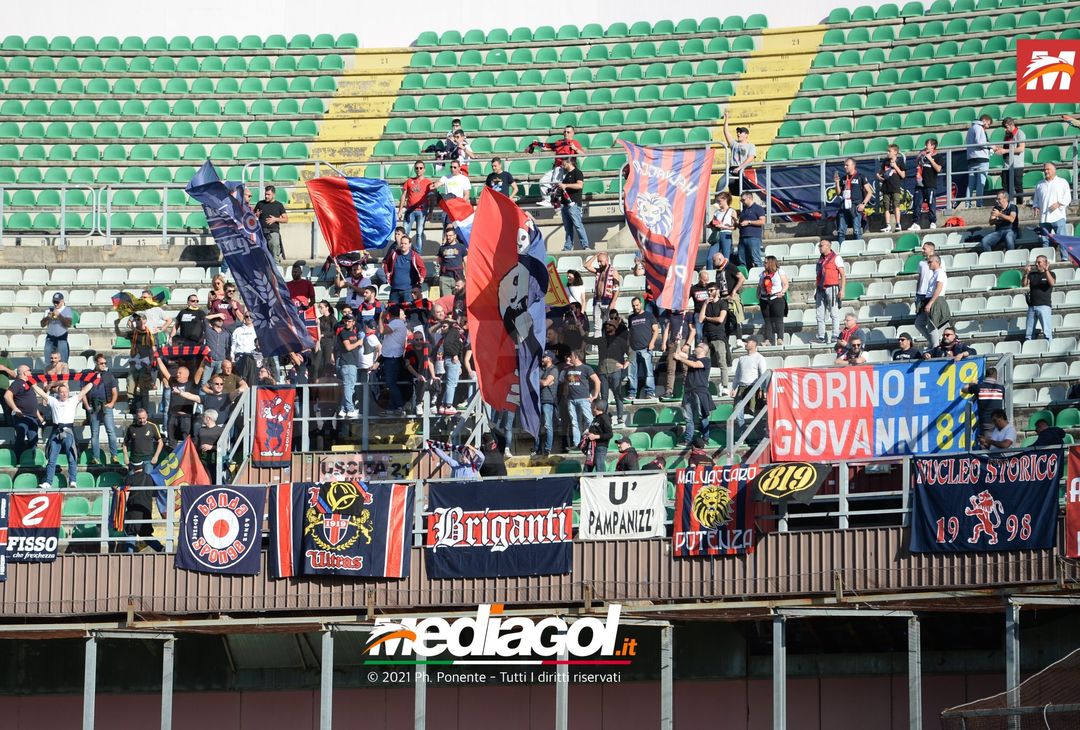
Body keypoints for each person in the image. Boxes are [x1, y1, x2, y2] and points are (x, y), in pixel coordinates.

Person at [32, 379, 94, 489]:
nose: (64, 394)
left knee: (72, 458)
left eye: (66, 392)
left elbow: (84, 390)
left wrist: (95, 379)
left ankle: (73, 481)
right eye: (62, 392)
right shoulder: (53, 401)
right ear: (58, 393)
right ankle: (48, 482)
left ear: (68, 393)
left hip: (69, 432)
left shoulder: (73, 400)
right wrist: (31, 383)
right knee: (51, 459)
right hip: (56, 431)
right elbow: (41, 392)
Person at [587, 312, 630, 427]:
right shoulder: (601, 340)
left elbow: (631, 353)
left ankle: (620, 418)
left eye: (610, 325)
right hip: (602, 372)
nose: (607, 327)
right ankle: (605, 418)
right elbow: (587, 339)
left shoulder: (620, 341)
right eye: (606, 326)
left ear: (615, 328)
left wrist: (625, 364)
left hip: (615, 371)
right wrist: (580, 328)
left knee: (618, 395)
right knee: (604, 396)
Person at [530, 126, 584, 206]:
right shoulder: (559, 142)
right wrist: (537, 144)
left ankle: (556, 203)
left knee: (556, 184)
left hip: (566, 168)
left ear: (573, 133)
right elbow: (547, 147)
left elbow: (583, 154)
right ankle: (548, 200)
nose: (566, 133)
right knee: (543, 181)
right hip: (557, 167)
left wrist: (575, 148)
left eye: (568, 132)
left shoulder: (574, 142)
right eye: (564, 132)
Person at [675, 341, 713, 446]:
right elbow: (679, 354)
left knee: (703, 416)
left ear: (702, 349)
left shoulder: (706, 360)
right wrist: (678, 343)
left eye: (697, 346)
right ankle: (688, 440)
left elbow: (696, 365)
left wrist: (681, 359)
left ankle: (706, 438)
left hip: (700, 392)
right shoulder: (692, 357)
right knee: (688, 418)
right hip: (688, 392)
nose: (695, 348)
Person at [83, 354, 119, 466]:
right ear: (96, 363)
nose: (104, 365)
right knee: (95, 434)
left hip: (105, 405)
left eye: (105, 363)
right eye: (101, 363)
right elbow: (83, 392)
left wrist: (112, 403)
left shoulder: (109, 375)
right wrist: (87, 406)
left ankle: (114, 456)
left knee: (111, 432)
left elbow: (115, 392)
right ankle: (96, 458)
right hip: (93, 407)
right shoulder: (89, 375)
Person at [560, 350, 601, 447]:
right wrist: (566, 395)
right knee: (575, 422)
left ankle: (592, 440)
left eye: (571, 356)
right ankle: (577, 443)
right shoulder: (568, 369)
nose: (569, 358)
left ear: (577, 357)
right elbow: (566, 383)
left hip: (583, 399)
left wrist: (595, 395)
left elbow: (597, 381)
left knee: (589, 420)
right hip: (571, 400)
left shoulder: (586, 368)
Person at [5, 365, 41, 464]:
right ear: (24, 373)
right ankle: (16, 461)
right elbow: (7, 396)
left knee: (33, 439)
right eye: (30, 371)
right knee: (21, 436)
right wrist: (15, 408)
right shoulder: (17, 383)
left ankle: (30, 461)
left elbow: (32, 402)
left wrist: (39, 416)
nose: (31, 373)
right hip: (22, 417)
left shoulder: (29, 384)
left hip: (32, 418)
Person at [699, 282, 730, 396]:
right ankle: (704, 385)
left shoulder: (723, 303)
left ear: (717, 290)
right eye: (708, 290)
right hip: (707, 337)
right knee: (705, 363)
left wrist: (707, 318)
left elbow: (720, 319)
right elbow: (700, 319)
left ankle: (725, 386)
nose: (709, 292)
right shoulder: (706, 304)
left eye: (711, 290)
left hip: (718, 336)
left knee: (722, 362)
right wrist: (705, 304)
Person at [833, 158, 873, 245]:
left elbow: (869, 192)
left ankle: (858, 248)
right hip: (844, 207)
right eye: (844, 165)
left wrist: (863, 204)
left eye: (847, 165)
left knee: (857, 230)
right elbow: (838, 193)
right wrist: (836, 183)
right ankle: (840, 250)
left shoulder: (860, 176)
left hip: (856, 206)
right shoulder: (843, 178)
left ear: (853, 165)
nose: (845, 167)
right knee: (841, 231)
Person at [1032, 162, 1072, 250]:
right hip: (1044, 217)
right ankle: (1046, 258)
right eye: (1044, 170)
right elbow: (1036, 200)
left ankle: (1064, 259)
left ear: (1054, 170)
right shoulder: (1039, 184)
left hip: (1058, 216)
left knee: (1061, 239)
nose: (1046, 171)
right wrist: (1035, 207)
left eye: (1048, 169)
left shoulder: (1062, 182)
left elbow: (1068, 198)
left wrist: (1058, 203)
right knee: (1044, 240)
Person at [159, 363, 201, 445]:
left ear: (186, 375)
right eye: (177, 373)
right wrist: (158, 358)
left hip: (186, 417)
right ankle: (172, 457)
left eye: (179, 373)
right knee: (171, 440)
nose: (177, 374)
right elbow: (164, 371)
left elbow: (200, 371)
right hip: (172, 416)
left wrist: (204, 360)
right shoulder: (173, 383)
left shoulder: (192, 384)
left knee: (186, 441)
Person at [626, 297, 659, 401]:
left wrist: (652, 342)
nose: (635, 307)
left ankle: (650, 392)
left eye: (637, 305)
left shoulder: (649, 315)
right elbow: (630, 333)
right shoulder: (631, 318)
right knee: (631, 374)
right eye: (633, 306)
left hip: (646, 348)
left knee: (648, 373)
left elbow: (656, 330)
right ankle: (632, 393)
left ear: (641, 304)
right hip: (633, 350)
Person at [732, 337, 767, 432]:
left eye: (747, 341)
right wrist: (734, 387)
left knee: (756, 414)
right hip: (742, 387)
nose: (745, 343)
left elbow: (763, 374)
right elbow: (737, 374)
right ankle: (743, 435)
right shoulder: (742, 358)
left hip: (754, 388)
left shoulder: (760, 358)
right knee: (738, 413)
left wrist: (762, 389)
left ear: (754, 343)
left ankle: (759, 436)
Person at [814, 239, 846, 343]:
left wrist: (842, 290)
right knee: (819, 314)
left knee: (834, 313)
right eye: (819, 246)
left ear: (828, 246)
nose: (820, 248)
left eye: (821, 246)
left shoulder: (836, 258)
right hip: (820, 288)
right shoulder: (820, 260)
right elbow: (818, 276)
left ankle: (835, 335)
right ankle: (821, 336)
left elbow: (843, 275)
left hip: (832, 287)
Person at [914, 255, 949, 349]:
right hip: (929, 299)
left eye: (930, 262)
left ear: (937, 262)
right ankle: (933, 343)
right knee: (919, 323)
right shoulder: (935, 273)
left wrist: (930, 303)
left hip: (935, 300)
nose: (928, 264)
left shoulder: (940, 273)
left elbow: (939, 288)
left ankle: (935, 347)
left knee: (932, 326)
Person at [380, 305, 409, 415]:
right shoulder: (398, 323)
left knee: (390, 383)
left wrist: (381, 319)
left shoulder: (395, 323)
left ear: (389, 314)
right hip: (392, 356)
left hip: (392, 357)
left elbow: (382, 331)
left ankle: (400, 405)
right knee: (391, 383)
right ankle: (392, 407)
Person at [382, 235, 427, 306]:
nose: (403, 245)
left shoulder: (414, 256)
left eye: (405, 244)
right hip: (394, 289)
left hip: (408, 290)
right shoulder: (394, 254)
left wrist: (422, 276)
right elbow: (386, 263)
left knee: (408, 312)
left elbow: (422, 268)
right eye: (402, 243)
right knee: (392, 312)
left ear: (409, 244)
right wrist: (387, 273)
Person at [399, 160, 434, 249]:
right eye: (417, 168)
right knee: (405, 233)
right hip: (410, 210)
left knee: (419, 233)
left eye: (421, 168)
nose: (418, 170)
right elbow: (403, 196)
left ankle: (418, 254)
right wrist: (400, 210)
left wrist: (430, 211)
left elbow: (432, 198)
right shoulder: (409, 181)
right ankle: (405, 251)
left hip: (422, 211)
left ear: (424, 169)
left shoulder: (428, 182)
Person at [963, 367, 1006, 438]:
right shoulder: (1001, 388)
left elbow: (963, 389)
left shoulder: (978, 387)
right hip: (1000, 422)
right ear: (996, 377)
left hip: (986, 423)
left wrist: (971, 384)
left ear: (986, 376)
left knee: (987, 446)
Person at [558, 157, 590, 251]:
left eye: (563, 162)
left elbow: (580, 185)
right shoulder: (567, 175)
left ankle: (585, 246)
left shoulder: (577, 172)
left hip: (574, 204)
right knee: (568, 228)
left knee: (578, 225)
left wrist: (566, 185)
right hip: (565, 204)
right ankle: (567, 247)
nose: (562, 164)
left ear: (568, 162)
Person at [660, 307, 693, 400]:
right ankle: (669, 391)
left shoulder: (688, 315)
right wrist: (663, 343)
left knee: (685, 368)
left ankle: (688, 390)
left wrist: (688, 344)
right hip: (673, 343)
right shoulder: (672, 315)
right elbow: (667, 330)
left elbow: (693, 330)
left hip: (683, 342)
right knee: (671, 369)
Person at [910, 138, 942, 231]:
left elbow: (938, 169)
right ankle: (916, 223)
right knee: (917, 204)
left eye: (927, 144)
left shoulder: (938, 156)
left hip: (930, 184)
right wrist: (921, 155)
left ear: (933, 146)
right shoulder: (921, 155)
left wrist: (930, 159)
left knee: (931, 204)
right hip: (919, 183)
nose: (925, 147)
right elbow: (917, 162)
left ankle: (932, 222)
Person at [585, 252, 621, 336]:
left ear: (607, 260)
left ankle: (608, 344)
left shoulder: (613, 271)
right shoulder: (598, 271)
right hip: (597, 301)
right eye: (598, 261)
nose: (599, 263)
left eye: (601, 261)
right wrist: (595, 255)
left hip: (608, 301)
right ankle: (598, 347)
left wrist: (613, 301)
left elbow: (616, 288)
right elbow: (586, 266)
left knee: (608, 325)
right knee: (597, 326)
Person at [335, 312, 362, 418]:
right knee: (348, 386)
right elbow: (348, 347)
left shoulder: (353, 333)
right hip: (347, 363)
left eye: (349, 321)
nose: (347, 323)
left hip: (352, 363)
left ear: (353, 322)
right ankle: (350, 409)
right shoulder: (344, 333)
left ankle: (343, 408)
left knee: (350, 388)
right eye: (345, 321)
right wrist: (359, 342)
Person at [757, 256, 789, 346]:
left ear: (771, 263)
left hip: (776, 298)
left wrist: (782, 292)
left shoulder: (779, 271)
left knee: (778, 319)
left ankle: (780, 338)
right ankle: (768, 339)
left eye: (766, 262)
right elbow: (759, 286)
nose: (764, 264)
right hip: (764, 299)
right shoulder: (763, 274)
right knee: (767, 320)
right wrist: (758, 294)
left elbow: (786, 284)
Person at [994, 117, 1026, 205]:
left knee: (1018, 186)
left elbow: (1021, 149)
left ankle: (1020, 205)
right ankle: (1007, 206)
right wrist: (999, 149)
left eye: (1006, 127)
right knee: (1005, 186)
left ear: (1012, 125)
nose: (1005, 129)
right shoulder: (1007, 135)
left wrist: (1005, 151)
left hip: (1016, 165)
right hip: (1006, 165)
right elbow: (1006, 149)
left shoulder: (1020, 133)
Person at [1023, 255, 1055, 343]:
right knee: (1029, 334)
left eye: (1039, 262)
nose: (1036, 264)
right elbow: (1024, 284)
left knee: (1047, 333)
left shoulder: (1051, 273)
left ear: (1045, 263)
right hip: (1032, 307)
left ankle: (1049, 349)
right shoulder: (1032, 274)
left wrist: (1047, 270)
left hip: (1044, 306)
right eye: (1036, 262)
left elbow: (1052, 283)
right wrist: (1026, 273)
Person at [122, 407, 164, 472]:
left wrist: (156, 456)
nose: (142, 420)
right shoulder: (131, 427)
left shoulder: (152, 426)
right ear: (136, 417)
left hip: (148, 459)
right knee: (133, 480)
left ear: (147, 416)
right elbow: (125, 443)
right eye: (140, 418)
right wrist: (125, 456)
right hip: (135, 459)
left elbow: (160, 442)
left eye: (144, 418)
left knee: (147, 480)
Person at [723, 116, 756, 196]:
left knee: (746, 192)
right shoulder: (734, 144)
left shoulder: (751, 146)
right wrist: (726, 119)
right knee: (722, 182)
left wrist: (740, 167)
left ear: (746, 135)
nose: (738, 134)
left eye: (740, 132)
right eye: (737, 132)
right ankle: (717, 202)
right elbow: (726, 132)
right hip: (733, 170)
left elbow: (750, 158)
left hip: (745, 170)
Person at [533, 352, 558, 456]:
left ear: (550, 358)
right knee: (536, 426)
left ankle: (547, 449)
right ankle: (537, 448)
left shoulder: (554, 370)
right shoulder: (540, 369)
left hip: (548, 401)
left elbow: (545, 383)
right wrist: (542, 381)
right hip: (538, 400)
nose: (542, 358)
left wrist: (539, 381)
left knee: (548, 425)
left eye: (544, 357)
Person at [877, 144, 906, 233]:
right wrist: (878, 176)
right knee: (886, 207)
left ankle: (898, 224)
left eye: (889, 151)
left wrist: (895, 167)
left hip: (895, 187)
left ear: (895, 152)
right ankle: (888, 225)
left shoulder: (900, 161)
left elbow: (903, 175)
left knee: (896, 205)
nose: (888, 153)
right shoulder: (885, 161)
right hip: (886, 187)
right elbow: (880, 172)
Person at [964, 114, 993, 206]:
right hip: (981, 158)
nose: (987, 127)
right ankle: (979, 204)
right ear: (984, 121)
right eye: (988, 124)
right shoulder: (979, 128)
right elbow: (980, 142)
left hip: (971, 158)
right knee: (981, 183)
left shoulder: (970, 129)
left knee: (971, 184)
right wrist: (991, 146)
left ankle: (967, 204)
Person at [254, 184, 288, 260]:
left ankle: (276, 270)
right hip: (261, 234)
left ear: (273, 194)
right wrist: (256, 215)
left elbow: (286, 219)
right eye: (265, 194)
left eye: (268, 194)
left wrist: (275, 219)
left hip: (273, 234)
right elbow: (253, 217)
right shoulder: (260, 204)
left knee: (274, 257)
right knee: (261, 257)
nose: (266, 196)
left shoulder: (279, 205)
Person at [40, 292, 73, 363]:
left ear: (62, 301)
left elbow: (68, 324)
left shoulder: (67, 310)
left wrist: (59, 315)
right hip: (50, 338)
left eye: (57, 302)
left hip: (62, 337)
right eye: (54, 302)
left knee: (63, 362)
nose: (55, 304)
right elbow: (42, 324)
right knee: (48, 362)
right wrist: (48, 318)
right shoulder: (49, 310)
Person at [706, 191, 737, 267]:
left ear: (725, 199)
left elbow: (734, 227)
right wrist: (710, 225)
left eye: (719, 201)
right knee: (709, 258)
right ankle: (710, 275)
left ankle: (726, 275)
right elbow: (714, 223)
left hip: (726, 234)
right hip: (717, 235)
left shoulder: (732, 211)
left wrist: (723, 226)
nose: (718, 202)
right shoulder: (717, 212)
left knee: (726, 258)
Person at [737, 191, 766, 268]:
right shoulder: (744, 210)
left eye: (743, 200)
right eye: (741, 200)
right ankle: (747, 277)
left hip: (753, 237)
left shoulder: (758, 208)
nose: (742, 201)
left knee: (756, 259)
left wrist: (749, 222)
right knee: (743, 260)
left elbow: (762, 221)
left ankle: (760, 276)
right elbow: (741, 223)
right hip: (743, 237)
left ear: (749, 198)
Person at [584, 398, 612, 472]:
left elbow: (609, 434)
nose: (590, 408)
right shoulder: (595, 418)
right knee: (587, 470)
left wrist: (595, 436)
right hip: (592, 447)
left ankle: (601, 482)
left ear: (595, 407)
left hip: (600, 447)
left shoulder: (604, 418)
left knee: (600, 468)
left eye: (591, 406)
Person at [437, 226, 466, 296]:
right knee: (447, 301)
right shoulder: (442, 248)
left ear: (455, 236)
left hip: (458, 277)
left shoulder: (461, 247)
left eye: (450, 235)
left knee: (460, 300)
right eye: (447, 235)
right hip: (445, 278)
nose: (448, 237)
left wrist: (466, 275)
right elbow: (439, 262)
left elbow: (466, 262)